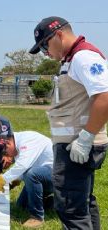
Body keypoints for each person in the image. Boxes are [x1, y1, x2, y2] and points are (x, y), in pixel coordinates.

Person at [29, 16, 108, 229]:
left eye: (45, 45)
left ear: (59, 34)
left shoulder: (83, 57)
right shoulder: (72, 59)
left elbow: (104, 97)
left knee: (70, 209)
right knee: (82, 203)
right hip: (75, 143)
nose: (46, 52)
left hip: (77, 145)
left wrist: (86, 137)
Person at [0, 131, 54, 228]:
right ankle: (57, 203)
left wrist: (3, 179)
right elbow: (26, 165)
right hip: (46, 174)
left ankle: (37, 217)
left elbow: (23, 165)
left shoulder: (27, 140)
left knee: (31, 174)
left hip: (60, 175)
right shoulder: (17, 144)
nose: (6, 157)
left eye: (5, 153)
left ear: (8, 143)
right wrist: (15, 180)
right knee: (22, 205)